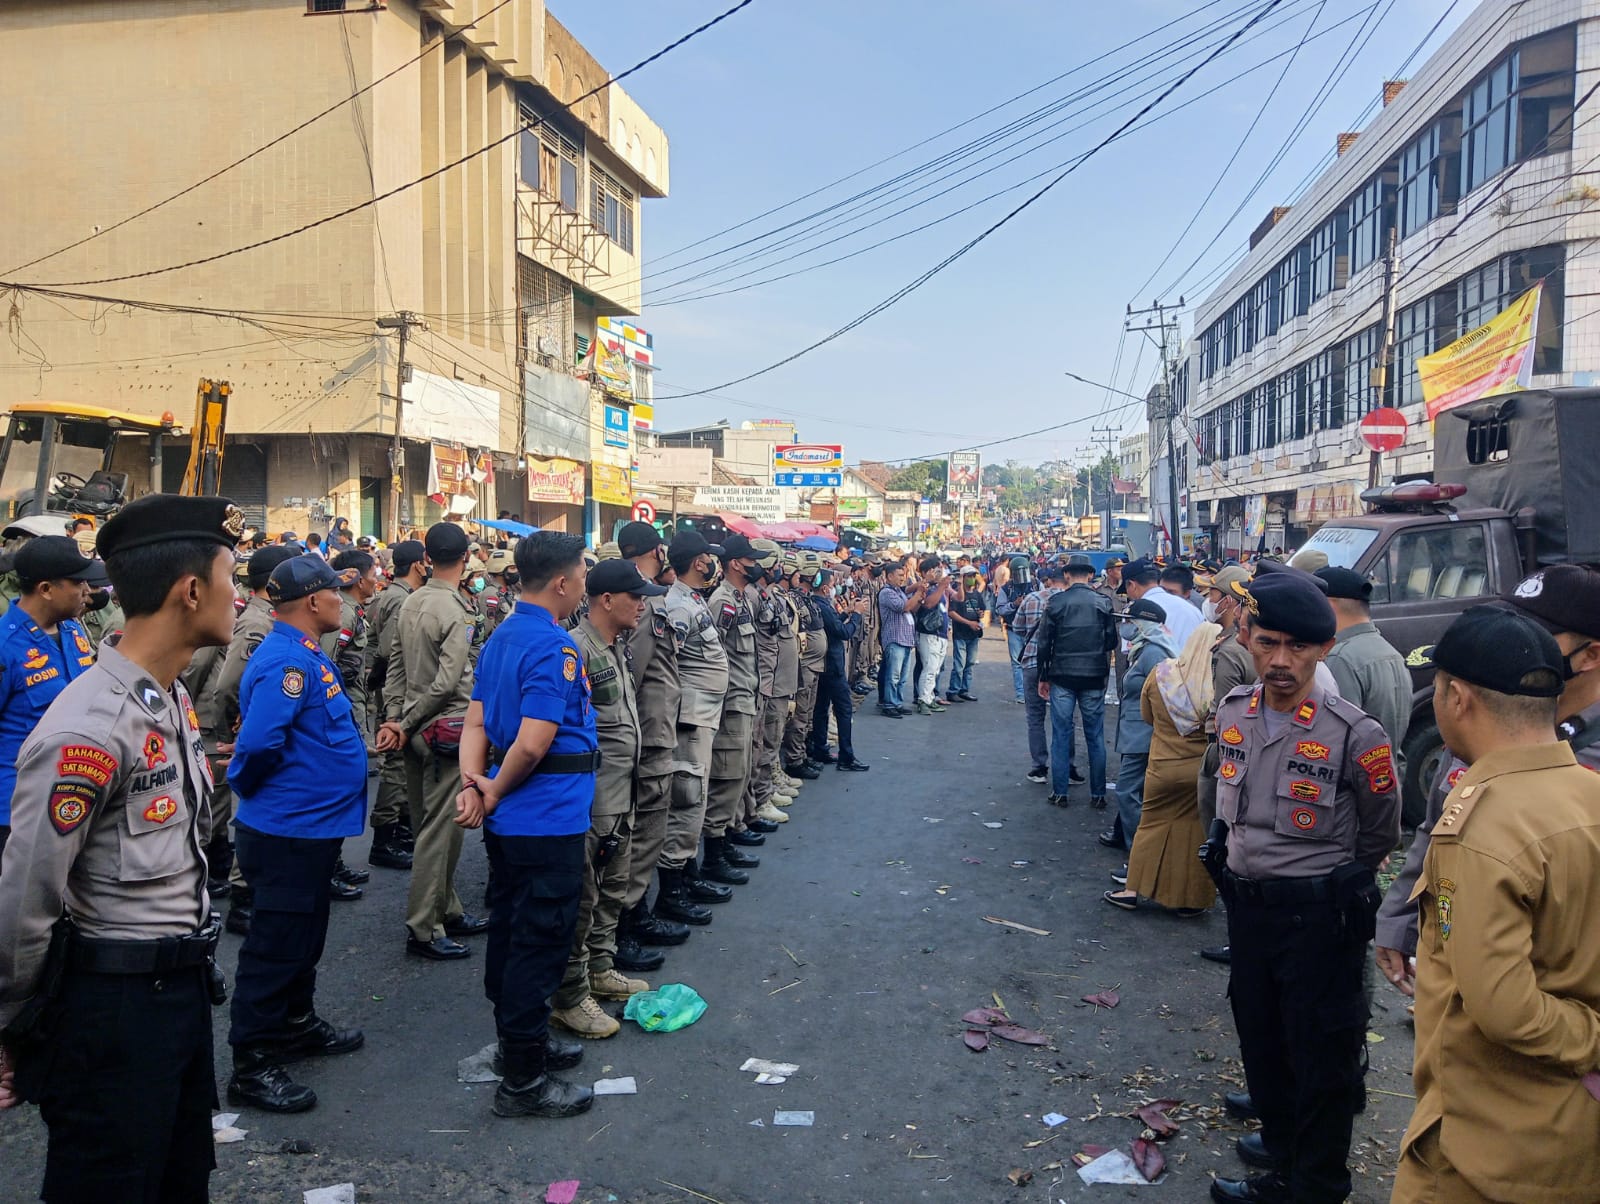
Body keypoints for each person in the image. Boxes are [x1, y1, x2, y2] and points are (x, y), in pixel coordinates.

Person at [0, 494, 243, 1203]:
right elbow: (25, 898)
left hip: (178, 993)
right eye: (232, 576)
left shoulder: (162, 697)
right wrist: (11, 1023)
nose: (242, 593)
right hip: (113, 1011)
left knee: (178, 1178)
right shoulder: (90, 725)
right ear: (190, 589)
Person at [1391, 606, 1600, 1203]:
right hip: (1570, 1132)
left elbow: (1505, 1009)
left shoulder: (1483, 824)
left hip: (1486, 1139)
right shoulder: (1589, 793)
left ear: (1457, 697)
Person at [1206, 569, 1400, 1204]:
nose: (1280, 661)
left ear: (1322, 650)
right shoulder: (1234, 713)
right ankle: (1283, 1167)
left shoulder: (1353, 733)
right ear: (1249, 639)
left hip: (1316, 922)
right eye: (1267, 644)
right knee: (1263, 1048)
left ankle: (1317, 1187)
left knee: (1321, 1060)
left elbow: (1380, 829)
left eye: (1297, 647)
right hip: (1249, 915)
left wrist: (1342, 879)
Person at [1374, 563, 1600, 999]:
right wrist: (1397, 922)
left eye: (1537, 633)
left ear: (1590, 656)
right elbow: (1437, 828)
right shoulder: (1486, 717)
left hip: (1555, 999)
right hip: (1457, 979)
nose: (1514, 642)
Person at [455, 531, 596, 1119]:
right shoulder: (551, 647)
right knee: (538, 944)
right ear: (562, 582)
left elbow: (475, 724)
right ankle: (522, 1083)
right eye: (583, 573)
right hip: (545, 819)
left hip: (513, 820)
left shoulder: (502, 635)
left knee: (513, 934)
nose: (586, 582)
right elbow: (534, 744)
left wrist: (475, 785)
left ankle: (524, 1044)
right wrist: (493, 785)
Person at [225, 555, 368, 1113]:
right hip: (286, 830)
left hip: (312, 830)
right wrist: (247, 785)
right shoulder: (286, 661)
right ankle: (253, 1062)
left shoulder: (307, 654)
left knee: (305, 937)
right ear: (313, 601)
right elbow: (258, 745)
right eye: (337, 592)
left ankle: (295, 1023)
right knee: (274, 946)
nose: (343, 600)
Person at [549, 556, 663, 1040]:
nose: (642, 606)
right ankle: (571, 996)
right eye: (635, 598)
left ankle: (600, 967)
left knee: (612, 888)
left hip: (622, 793)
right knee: (585, 895)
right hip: (593, 798)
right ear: (606, 599)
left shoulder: (615, 647)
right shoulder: (577, 650)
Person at [376, 523, 488, 961]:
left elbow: (396, 668)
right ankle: (425, 926)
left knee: (434, 827)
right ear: (465, 558)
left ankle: (448, 906)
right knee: (438, 835)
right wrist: (407, 719)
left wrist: (396, 719)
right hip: (446, 727)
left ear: (427, 558)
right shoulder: (456, 609)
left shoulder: (413, 601)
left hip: (416, 728)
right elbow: (447, 684)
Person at [207, 544, 297, 936]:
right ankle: (244, 899)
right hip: (247, 731)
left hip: (257, 727)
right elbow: (227, 687)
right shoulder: (257, 623)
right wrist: (234, 733)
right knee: (249, 810)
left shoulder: (267, 618)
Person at [611, 523, 692, 958]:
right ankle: (626, 924)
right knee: (641, 834)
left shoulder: (643, 597)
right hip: (647, 738)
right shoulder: (636, 602)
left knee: (648, 831)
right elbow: (635, 680)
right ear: (654, 551)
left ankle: (635, 913)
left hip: (656, 733)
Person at [1104, 620, 1215, 916]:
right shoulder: (1216, 688)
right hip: (1198, 770)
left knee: (1150, 826)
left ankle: (1131, 891)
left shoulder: (1162, 674)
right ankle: (1189, 900)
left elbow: (1147, 715)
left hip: (1162, 764)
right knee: (1193, 831)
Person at [0, 537, 98, 862]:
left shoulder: (74, 631)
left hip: (74, 798)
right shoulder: (5, 645)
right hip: (17, 813)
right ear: (46, 589)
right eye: (78, 581)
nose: (87, 589)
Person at [655, 532, 731, 924]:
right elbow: (669, 662)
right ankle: (671, 890)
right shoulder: (679, 606)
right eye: (708, 557)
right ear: (698, 562)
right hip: (689, 719)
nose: (712, 562)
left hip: (703, 715)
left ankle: (687, 874)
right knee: (686, 800)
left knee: (695, 800)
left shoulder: (693, 599)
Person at [700, 536, 764, 887]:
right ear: (737, 563)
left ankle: (725, 841)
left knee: (739, 775)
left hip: (746, 697)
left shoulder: (739, 598)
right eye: (751, 560)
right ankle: (713, 854)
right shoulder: (722, 601)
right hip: (730, 703)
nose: (757, 566)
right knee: (726, 779)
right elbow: (715, 657)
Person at [1035, 554, 1116, 808]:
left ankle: (1060, 792)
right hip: (1093, 675)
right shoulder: (1103, 602)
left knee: (1061, 734)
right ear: (1090, 575)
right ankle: (1098, 794)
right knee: (1095, 736)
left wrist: (1042, 676)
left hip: (1062, 676)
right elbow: (1112, 641)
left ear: (1067, 575)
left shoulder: (1056, 602)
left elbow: (1044, 644)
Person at [365, 540, 426, 871]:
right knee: (396, 765)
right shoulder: (401, 599)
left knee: (403, 763)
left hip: (393, 688)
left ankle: (401, 829)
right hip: (396, 690)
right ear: (417, 564)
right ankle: (384, 838)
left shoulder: (393, 594)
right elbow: (390, 651)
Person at [1099, 598, 1174, 856]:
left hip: (1144, 734)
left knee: (1127, 792)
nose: (1126, 626)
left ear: (1144, 623)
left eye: (1130, 621)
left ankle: (1140, 855)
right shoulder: (1144, 649)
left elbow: (1166, 697)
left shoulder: (1154, 652)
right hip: (1136, 731)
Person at [1316, 566, 1410, 770]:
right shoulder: (1391, 653)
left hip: (1354, 785)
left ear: (1328, 607)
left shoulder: (1339, 658)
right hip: (1385, 781)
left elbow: (1334, 741)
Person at [810, 567, 870, 772]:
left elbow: (834, 624)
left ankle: (820, 748)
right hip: (832, 665)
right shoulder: (823, 606)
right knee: (843, 710)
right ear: (826, 588)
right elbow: (843, 632)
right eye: (834, 583)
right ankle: (846, 756)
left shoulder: (819, 604)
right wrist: (857, 616)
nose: (837, 586)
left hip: (824, 664)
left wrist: (847, 611)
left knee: (821, 709)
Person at [784, 552, 830, 767]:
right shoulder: (792, 598)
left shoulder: (807, 598)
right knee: (800, 716)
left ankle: (803, 753)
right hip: (805, 666)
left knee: (808, 714)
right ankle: (795, 759)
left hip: (814, 665)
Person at [876, 558, 926, 718]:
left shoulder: (898, 592)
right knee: (893, 675)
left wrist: (919, 598)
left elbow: (912, 609)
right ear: (889, 576)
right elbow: (904, 607)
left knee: (902, 677)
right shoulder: (886, 593)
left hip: (905, 638)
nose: (902, 578)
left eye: (903, 575)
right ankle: (889, 704)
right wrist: (917, 592)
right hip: (895, 638)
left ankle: (897, 703)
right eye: (899, 575)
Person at [1122, 557, 1201, 650]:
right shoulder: (1193, 610)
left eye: (1126, 590)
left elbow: (1130, 652)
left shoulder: (1134, 611)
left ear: (1132, 585)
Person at [912, 556, 954, 714]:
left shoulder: (937, 587)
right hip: (929, 634)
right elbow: (928, 604)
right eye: (936, 569)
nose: (940, 572)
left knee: (934, 669)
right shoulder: (925, 587)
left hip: (940, 634)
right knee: (929, 668)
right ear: (926, 572)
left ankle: (929, 698)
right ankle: (923, 699)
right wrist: (941, 587)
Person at [994, 555, 1034, 704]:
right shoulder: (1007, 589)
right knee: (1017, 663)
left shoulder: (1035, 585)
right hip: (1014, 630)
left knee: (1035, 662)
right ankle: (1021, 694)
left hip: (1033, 631)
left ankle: (1035, 692)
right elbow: (1000, 609)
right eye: (1018, 572)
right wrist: (1014, 605)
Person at [945, 565, 984, 702]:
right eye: (969, 576)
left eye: (974, 576)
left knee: (970, 663)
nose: (972, 579)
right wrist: (968, 622)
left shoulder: (977, 595)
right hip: (961, 634)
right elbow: (951, 612)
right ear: (963, 578)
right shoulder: (956, 594)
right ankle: (953, 690)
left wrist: (980, 614)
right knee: (959, 664)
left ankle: (964, 690)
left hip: (973, 635)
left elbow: (982, 610)